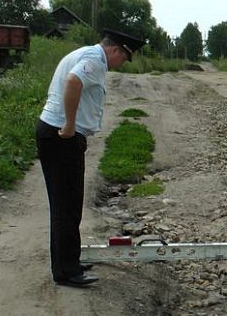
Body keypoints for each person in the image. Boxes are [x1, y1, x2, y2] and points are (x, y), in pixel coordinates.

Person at [36, 29, 145, 287]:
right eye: (124, 58)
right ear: (116, 50)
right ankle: (66, 271)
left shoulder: (87, 54)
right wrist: (70, 125)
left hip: (56, 135)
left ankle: (68, 261)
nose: (121, 64)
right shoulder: (95, 60)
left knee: (69, 204)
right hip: (62, 138)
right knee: (66, 206)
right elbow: (73, 82)